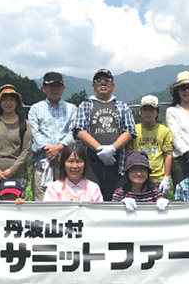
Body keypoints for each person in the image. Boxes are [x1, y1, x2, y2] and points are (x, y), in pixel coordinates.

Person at [73, 69, 136, 201]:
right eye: (99, 81)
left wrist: (112, 148)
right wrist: (100, 149)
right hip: (92, 161)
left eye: (107, 80)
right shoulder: (86, 105)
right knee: (92, 198)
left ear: (113, 86)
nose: (103, 83)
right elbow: (79, 131)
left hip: (117, 161)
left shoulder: (122, 106)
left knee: (116, 198)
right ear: (93, 86)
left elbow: (129, 131)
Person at [28, 72, 76, 201]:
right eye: (51, 86)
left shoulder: (72, 109)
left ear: (63, 88)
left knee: (66, 200)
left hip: (65, 164)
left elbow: (73, 132)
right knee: (41, 202)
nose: (55, 89)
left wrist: (58, 148)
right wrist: (49, 149)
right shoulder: (35, 109)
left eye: (58, 86)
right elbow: (34, 132)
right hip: (42, 163)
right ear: (44, 88)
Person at [0, 84, 32, 200]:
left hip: (17, 176)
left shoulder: (24, 124)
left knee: (15, 207)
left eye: (12, 100)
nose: (8, 103)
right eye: (5, 100)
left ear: (17, 103)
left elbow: (26, 150)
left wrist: (12, 171)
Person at [125, 95, 173, 195]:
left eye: (151, 110)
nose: (148, 112)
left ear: (157, 112)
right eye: (145, 109)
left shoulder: (164, 131)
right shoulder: (133, 130)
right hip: (138, 177)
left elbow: (168, 155)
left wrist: (166, 177)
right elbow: (128, 154)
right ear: (140, 112)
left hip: (157, 178)